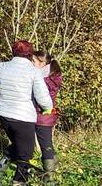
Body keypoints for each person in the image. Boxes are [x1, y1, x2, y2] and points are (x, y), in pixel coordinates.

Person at [0, 41, 53, 186]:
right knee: (25, 154)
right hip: (23, 117)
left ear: (13, 51)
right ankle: (19, 182)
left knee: (17, 146)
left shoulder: (2, 66)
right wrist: (48, 108)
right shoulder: (33, 71)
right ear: (30, 54)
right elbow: (42, 96)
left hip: (4, 115)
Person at [32, 50, 63, 185]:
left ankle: (49, 178)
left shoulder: (43, 78)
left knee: (46, 146)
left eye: (34, 61)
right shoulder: (51, 75)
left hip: (42, 115)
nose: (31, 64)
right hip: (47, 115)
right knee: (47, 144)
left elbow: (42, 99)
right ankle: (54, 167)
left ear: (42, 63)